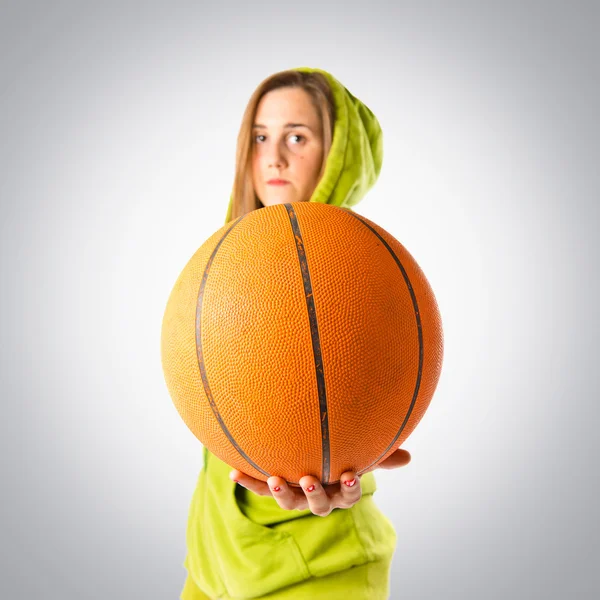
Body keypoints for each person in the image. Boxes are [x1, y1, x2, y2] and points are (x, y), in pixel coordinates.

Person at [180, 67, 411, 600]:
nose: (273, 157)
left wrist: (343, 461)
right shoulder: (231, 266)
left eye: (297, 137)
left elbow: (364, 398)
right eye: (261, 136)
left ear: (336, 155)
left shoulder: (355, 274)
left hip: (321, 564)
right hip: (216, 558)